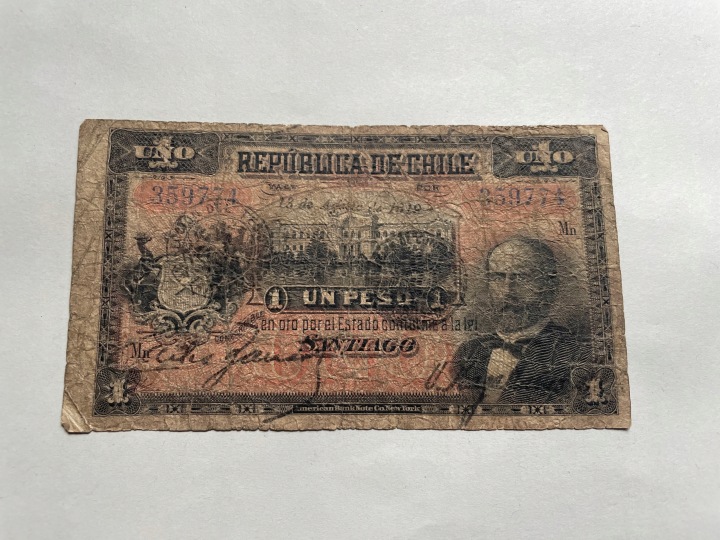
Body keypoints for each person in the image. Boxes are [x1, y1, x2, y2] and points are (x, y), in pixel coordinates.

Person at [453, 237, 593, 403]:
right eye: (498, 277)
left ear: (550, 287)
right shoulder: (468, 351)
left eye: (522, 278)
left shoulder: (575, 355)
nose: (507, 292)